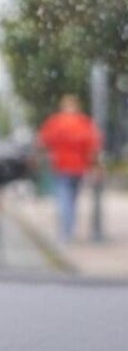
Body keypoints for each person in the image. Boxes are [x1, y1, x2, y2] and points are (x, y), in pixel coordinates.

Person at [37, 95, 103, 243]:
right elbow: (93, 145)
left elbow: (43, 141)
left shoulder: (56, 121)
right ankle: (69, 229)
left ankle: (65, 231)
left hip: (60, 166)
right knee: (73, 198)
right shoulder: (84, 122)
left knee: (63, 198)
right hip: (79, 167)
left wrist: (47, 155)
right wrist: (95, 165)